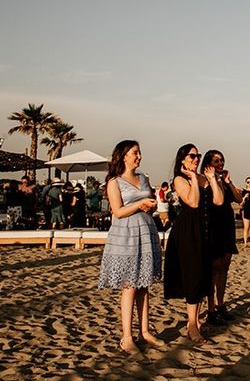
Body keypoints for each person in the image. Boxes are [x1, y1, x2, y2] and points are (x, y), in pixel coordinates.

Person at [97, 140, 163, 355]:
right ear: (124, 155)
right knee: (130, 286)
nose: (139, 156)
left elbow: (150, 201)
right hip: (125, 235)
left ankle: (145, 331)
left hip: (146, 232)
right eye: (135, 153)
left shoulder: (144, 178)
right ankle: (127, 337)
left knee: (144, 286)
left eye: (140, 153)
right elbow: (117, 211)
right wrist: (139, 205)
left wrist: (151, 206)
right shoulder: (114, 182)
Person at [164, 144, 223, 344]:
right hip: (188, 231)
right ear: (182, 159)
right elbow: (193, 202)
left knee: (202, 276)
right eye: (192, 156)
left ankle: (195, 321)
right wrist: (192, 179)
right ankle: (191, 325)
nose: (196, 158)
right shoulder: (180, 179)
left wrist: (212, 179)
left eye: (198, 155)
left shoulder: (204, 178)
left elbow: (219, 201)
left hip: (206, 231)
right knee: (193, 276)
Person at [201, 150, 242, 326]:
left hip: (227, 226)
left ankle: (221, 304)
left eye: (222, 160)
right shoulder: (205, 180)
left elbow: (239, 199)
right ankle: (210, 308)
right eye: (216, 160)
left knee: (224, 267)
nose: (220, 163)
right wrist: (213, 179)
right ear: (208, 163)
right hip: (213, 226)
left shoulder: (224, 181)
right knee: (213, 268)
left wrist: (229, 182)